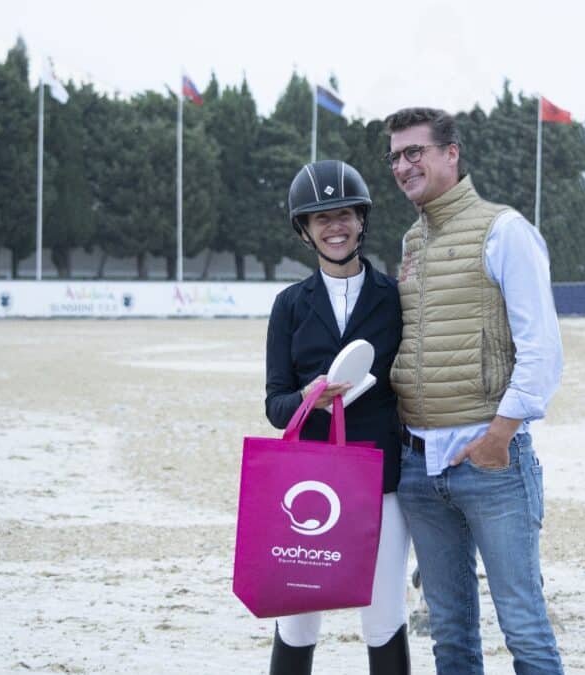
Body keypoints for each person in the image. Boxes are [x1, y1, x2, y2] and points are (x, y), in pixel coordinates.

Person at [384, 107, 565, 674]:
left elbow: (543, 351)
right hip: (419, 468)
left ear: (450, 154)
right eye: (394, 156)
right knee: (451, 637)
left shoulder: (504, 230)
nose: (403, 165)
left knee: (525, 628)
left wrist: (499, 435)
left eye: (415, 151)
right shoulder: (412, 241)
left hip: (491, 464)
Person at [264, 159, 411, 675]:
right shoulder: (289, 305)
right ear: (304, 229)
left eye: (344, 213)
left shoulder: (393, 299)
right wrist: (308, 397)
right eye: (321, 217)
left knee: (384, 614)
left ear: (361, 220)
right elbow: (274, 403)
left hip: (382, 479)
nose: (335, 226)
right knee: (298, 620)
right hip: (311, 481)